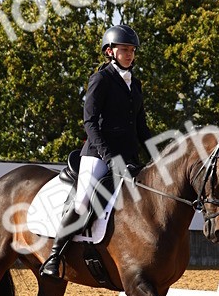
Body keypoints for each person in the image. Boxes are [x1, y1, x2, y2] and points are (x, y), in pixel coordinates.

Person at [40, 23, 151, 279]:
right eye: (124, 49)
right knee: (82, 202)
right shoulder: (101, 79)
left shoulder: (135, 84)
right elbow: (89, 123)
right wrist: (109, 157)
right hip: (98, 154)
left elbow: (141, 127)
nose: (130, 54)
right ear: (110, 51)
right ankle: (54, 256)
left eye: (132, 50)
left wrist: (158, 155)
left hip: (128, 157)